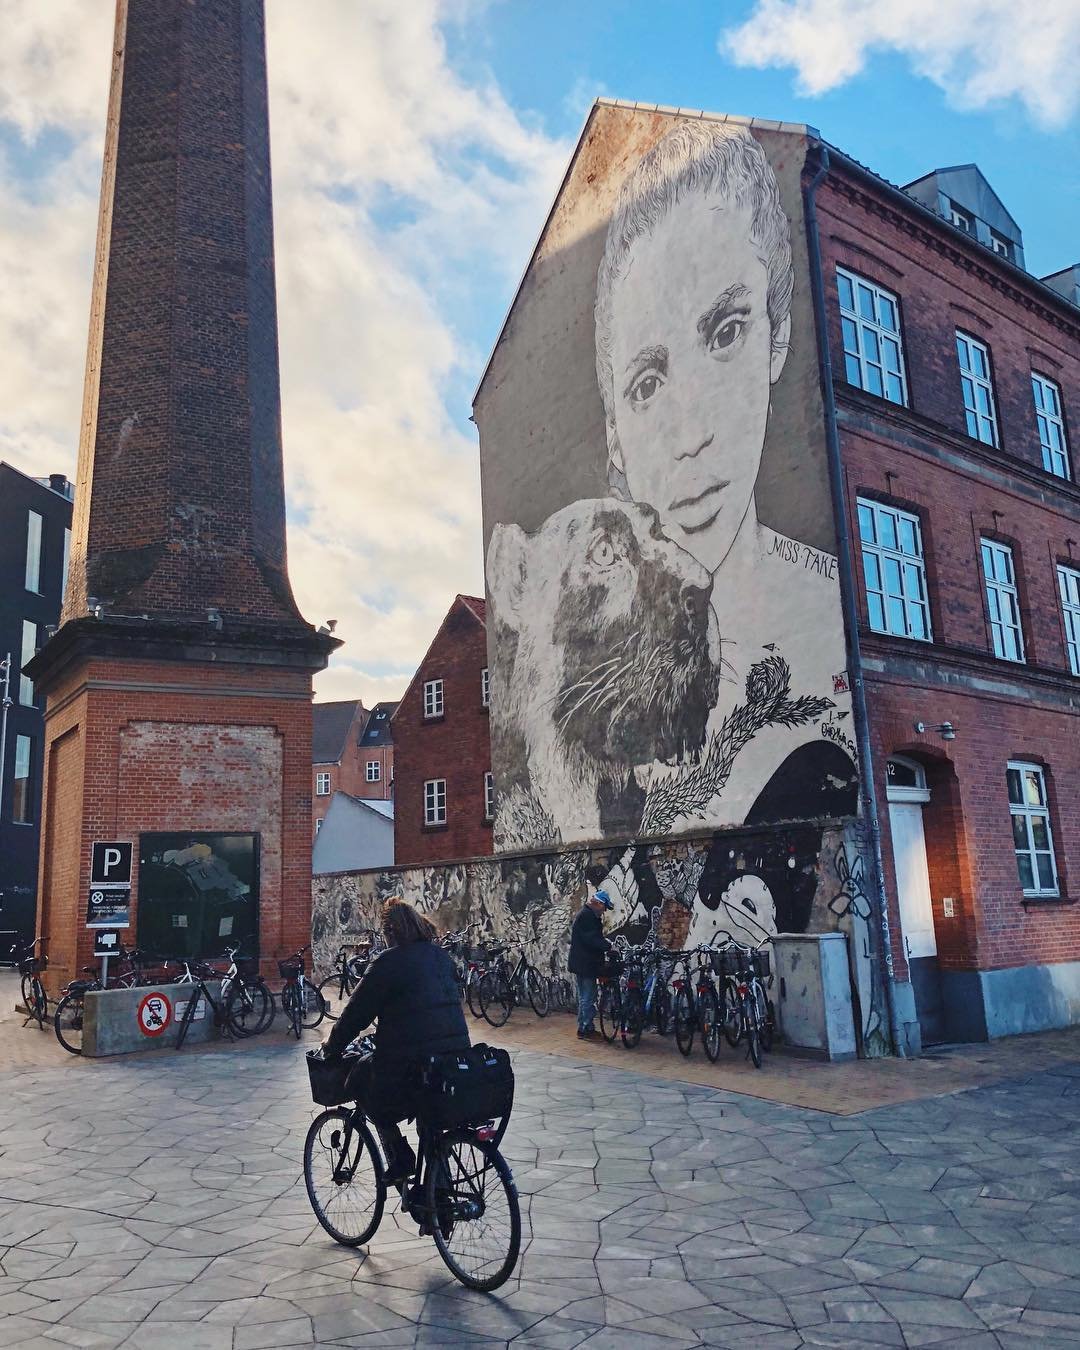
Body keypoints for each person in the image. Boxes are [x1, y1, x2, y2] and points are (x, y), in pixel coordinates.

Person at [593, 119, 855, 822]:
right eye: (647, 384)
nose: (691, 434)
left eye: (726, 333)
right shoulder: (591, 688)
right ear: (615, 436)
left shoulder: (836, 613)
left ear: (777, 337)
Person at [321, 897, 469, 1185]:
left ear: (391, 931)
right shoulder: (441, 957)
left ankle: (399, 1156)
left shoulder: (387, 963)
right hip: (455, 1059)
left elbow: (356, 1014)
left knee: (359, 1082)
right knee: (431, 1114)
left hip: (411, 1063)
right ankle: (438, 1199)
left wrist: (332, 1047)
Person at [567, 868, 614, 1039]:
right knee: (588, 996)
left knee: (585, 996)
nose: (604, 912)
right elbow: (592, 939)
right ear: (599, 904)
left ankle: (586, 1026)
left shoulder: (586, 914)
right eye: (605, 908)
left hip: (582, 963)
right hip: (585, 964)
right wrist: (608, 946)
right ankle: (585, 1028)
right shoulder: (588, 916)